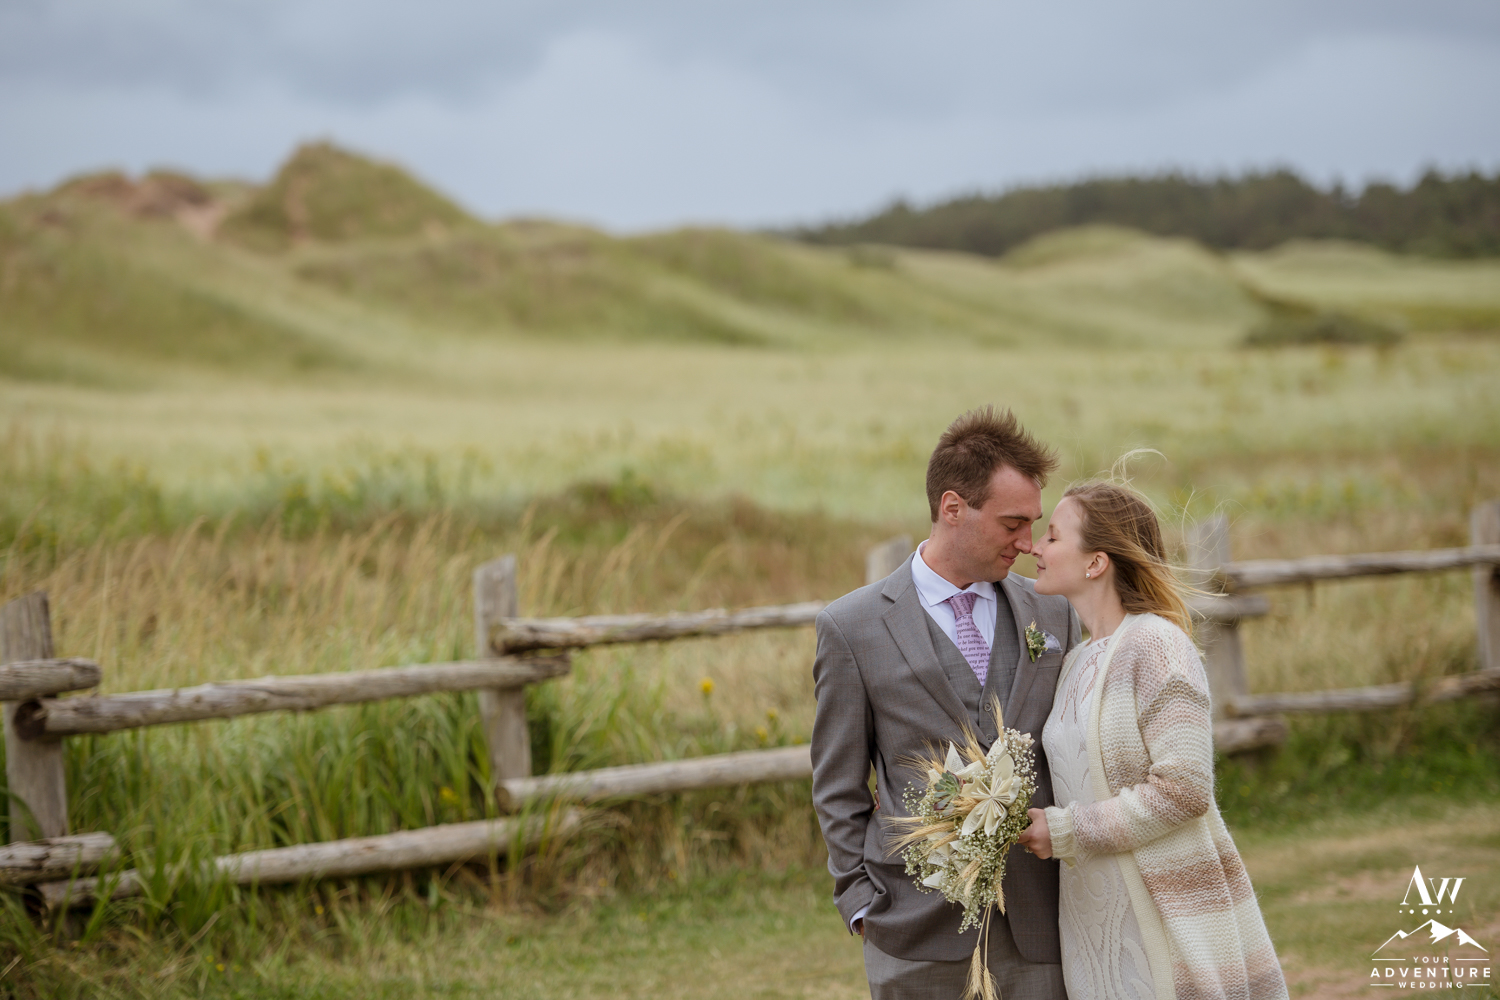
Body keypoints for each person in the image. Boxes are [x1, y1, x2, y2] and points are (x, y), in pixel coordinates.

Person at [811, 407, 1081, 1000]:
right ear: (953, 507)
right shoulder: (851, 628)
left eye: (1033, 524)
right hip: (913, 935)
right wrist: (860, 903)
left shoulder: (1054, 612)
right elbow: (838, 785)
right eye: (1013, 523)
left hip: (1046, 929)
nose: (1028, 543)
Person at [1019, 482, 1289, 1000]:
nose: (1035, 546)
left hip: (1161, 916)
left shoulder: (1157, 646)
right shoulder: (1074, 661)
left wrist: (1068, 830)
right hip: (1091, 918)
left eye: (1052, 536)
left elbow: (1184, 790)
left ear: (1096, 562)